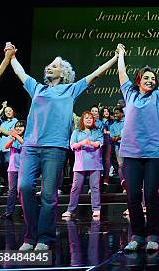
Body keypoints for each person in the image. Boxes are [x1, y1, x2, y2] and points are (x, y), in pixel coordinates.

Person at [7, 41, 118, 251]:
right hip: (31, 146)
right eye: (49, 65)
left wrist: (115, 58)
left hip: (55, 149)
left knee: (49, 195)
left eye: (55, 65)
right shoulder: (37, 87)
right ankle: (30, 237)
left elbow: (96, 74)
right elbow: (20, 72)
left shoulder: (70, 89)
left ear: (64, 73)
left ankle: (44, 239)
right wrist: (11, 56)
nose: (49, 67)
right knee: (24, 187)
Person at [117, 41, 159, 252]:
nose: (150, 80)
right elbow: (121, 73)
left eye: (153, 78)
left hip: (153, 154)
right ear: (139, 81)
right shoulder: (130, 94)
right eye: (146, 78)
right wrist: (121, 55)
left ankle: (152, 235)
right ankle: (137, 235)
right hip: (131, 154)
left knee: (150, 194)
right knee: (132, 196)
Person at [62, 111, 104, 220]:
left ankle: (96, 209)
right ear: (82, 120)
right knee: (75, 188)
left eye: (91, 118)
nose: (89, 120)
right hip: (80, 164)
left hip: (95, 163)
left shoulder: (97, 132)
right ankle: (70, 210)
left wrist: (89, 143)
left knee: (95, 187)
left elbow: (99, 143)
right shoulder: (76, 132)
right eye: (86, 118)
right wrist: (81, 143)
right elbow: (72, 145)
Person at [0, 120, 26, 219]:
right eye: (17, 126)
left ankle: (26, 211)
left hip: (23, 168)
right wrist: (12, 138)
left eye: (21, 126)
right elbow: (6, 146)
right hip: (12, 168)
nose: (19, 128)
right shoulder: (13, 138)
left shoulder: (27, 137)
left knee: (22, 190)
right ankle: (9, 212)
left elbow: (24, 143)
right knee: (12, 190)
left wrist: (16, 136)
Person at [109, 107, 125, 190]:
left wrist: (118, 137)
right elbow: (112, 138)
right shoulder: (112, 126)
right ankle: (124, 185)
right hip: (118, 148)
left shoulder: (126, 121)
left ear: (122, 114)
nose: (115, 115)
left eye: (117, 113)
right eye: (114, 113)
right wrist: (119, 137)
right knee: (120, 165)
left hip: (128, 147)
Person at [100, 106, 114, 188]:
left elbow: (113, 131)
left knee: (107, 161)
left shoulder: (112, 122)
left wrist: (107, 132)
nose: (106, 112)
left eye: (107, 111)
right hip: (100, 142)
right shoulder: (99, 121)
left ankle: (106, 179)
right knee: (99, 160)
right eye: (104, 111)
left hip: (109, 142)